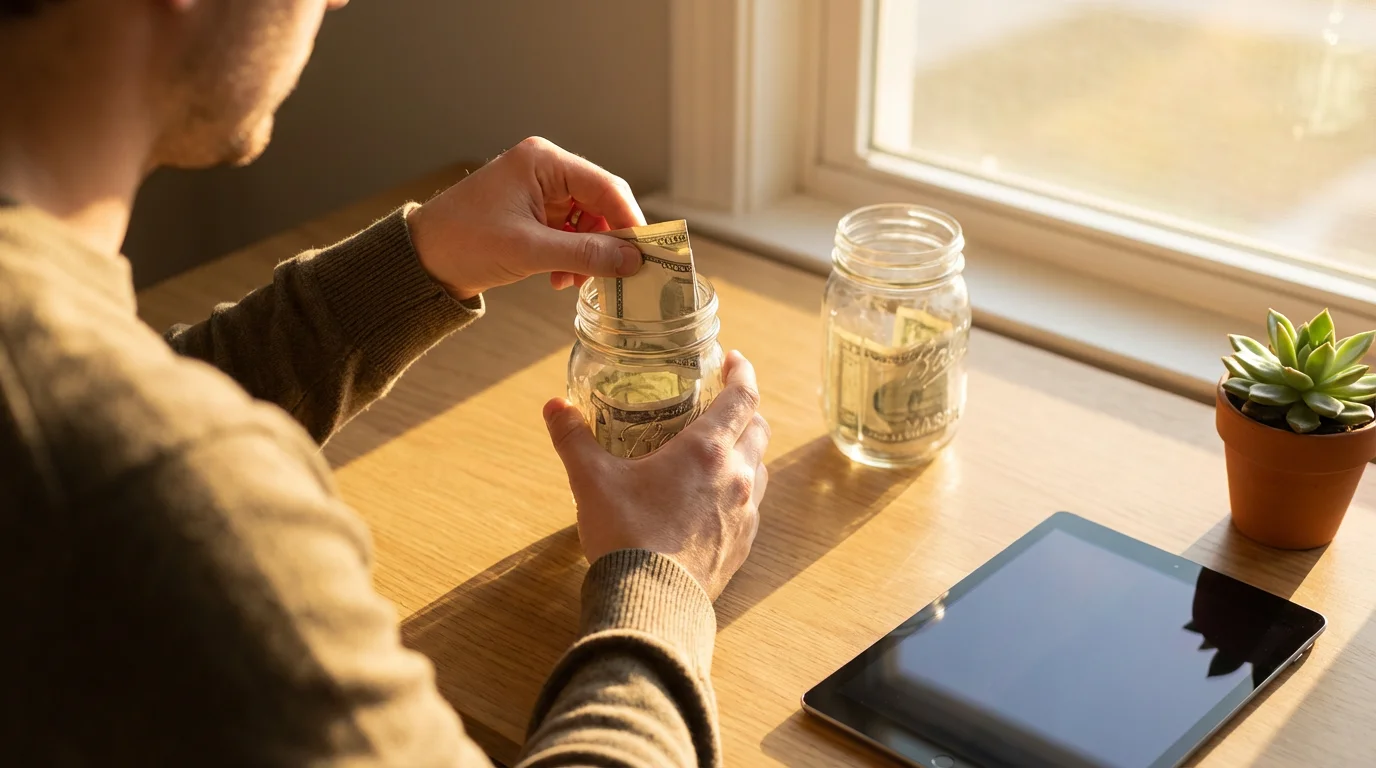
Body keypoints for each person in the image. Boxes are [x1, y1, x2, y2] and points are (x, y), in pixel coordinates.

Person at [0, 1, 770, 766]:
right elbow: (122, 460)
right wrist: (662, 582)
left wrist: (415, 261)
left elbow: (107, 396)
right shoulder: (173, 504)